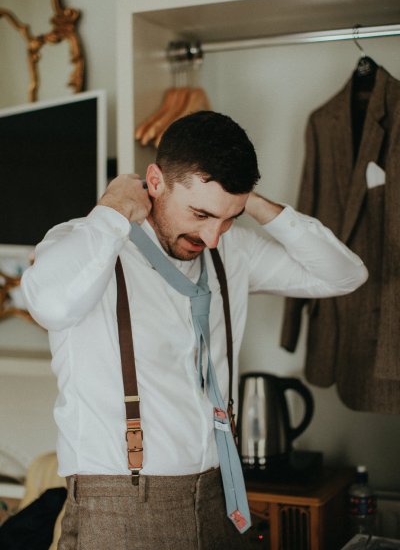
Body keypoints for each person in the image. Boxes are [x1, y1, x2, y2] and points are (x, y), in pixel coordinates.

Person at [21, 111, 368, 550]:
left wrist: (252, 205)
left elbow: (344, 275)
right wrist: (111, 211)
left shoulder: (231, 250)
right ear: (156, 181)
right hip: (120, 506)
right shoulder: (87, 243)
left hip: (219, 495)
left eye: (228, 218)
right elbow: (49, 305)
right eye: (201, 213)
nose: (212, 237)